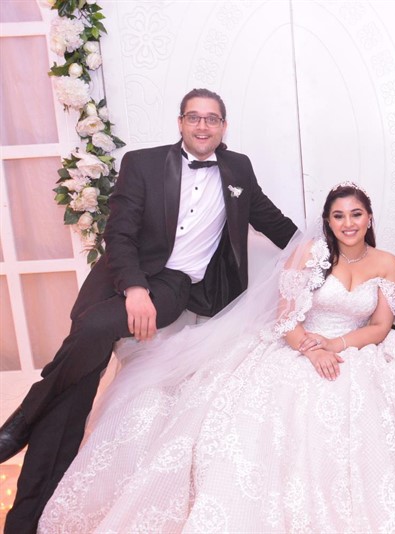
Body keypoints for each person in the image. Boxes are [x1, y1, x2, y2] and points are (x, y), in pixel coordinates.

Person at [37, 183, 395, 533]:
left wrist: (339, 347)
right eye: (339, 216)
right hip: (298, 346)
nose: (348, 223)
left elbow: (381, 326)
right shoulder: (310, 254)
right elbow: (287, 319)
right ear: (327, 221)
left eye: (356, 214)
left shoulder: (388, 262)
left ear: (369, 218)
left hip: (359, 347)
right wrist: (311, 349)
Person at [0, 88, 298, 532]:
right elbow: (118, 234)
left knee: (94, 330)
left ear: (223, 126)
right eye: (193, 117)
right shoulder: (142, 163)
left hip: (174, 287)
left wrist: (333, 253)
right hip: (118, 279)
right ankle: (25, 521)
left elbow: (275, 223)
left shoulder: (238, 170)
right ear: (180, 123)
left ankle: (22, 422)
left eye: (211, 119)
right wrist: (135, 288)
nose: (202, 126)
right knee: (71, 398)